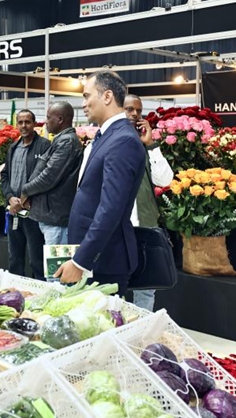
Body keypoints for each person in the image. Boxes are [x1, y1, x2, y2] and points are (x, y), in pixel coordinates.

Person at [55, 71, 146, 294]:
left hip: (105, 260)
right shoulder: (108, 136)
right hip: (95, 256)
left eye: (87, 96)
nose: (83, 104)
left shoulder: (122, 140)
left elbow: (110, 209)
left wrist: (81, 261)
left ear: (107, 96)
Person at [123, 94, 174, 311]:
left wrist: (152, 145)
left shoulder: (145, 146)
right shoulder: (106, 143)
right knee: (116, 284)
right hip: (119, 227)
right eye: (129, 109)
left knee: (146, 286)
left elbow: (165, 180)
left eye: (138, 111)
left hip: (144, 224)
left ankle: (141, 331)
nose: (135, 114)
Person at [19, 101, 83, 246]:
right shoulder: (62, 140)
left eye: (49, 118)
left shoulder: (67, 142)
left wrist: (26, 190)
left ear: (60, 119)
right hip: (52, 217)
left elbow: (48, 177)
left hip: (56, 219)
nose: (45, 122)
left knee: (56, 267)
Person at [0, 109, 50, 280]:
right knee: (15, 256)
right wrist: (9, 197)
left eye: (27, 122)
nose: (24, 126)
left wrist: (27, 198)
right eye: (20, 122)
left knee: (36, 258)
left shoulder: (44, 146)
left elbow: (47, 178)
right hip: (14, 210)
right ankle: (16, 291)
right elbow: (4, 176)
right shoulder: (13, 148)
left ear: (35, 123)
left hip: (33, 211)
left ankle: (40, 293)